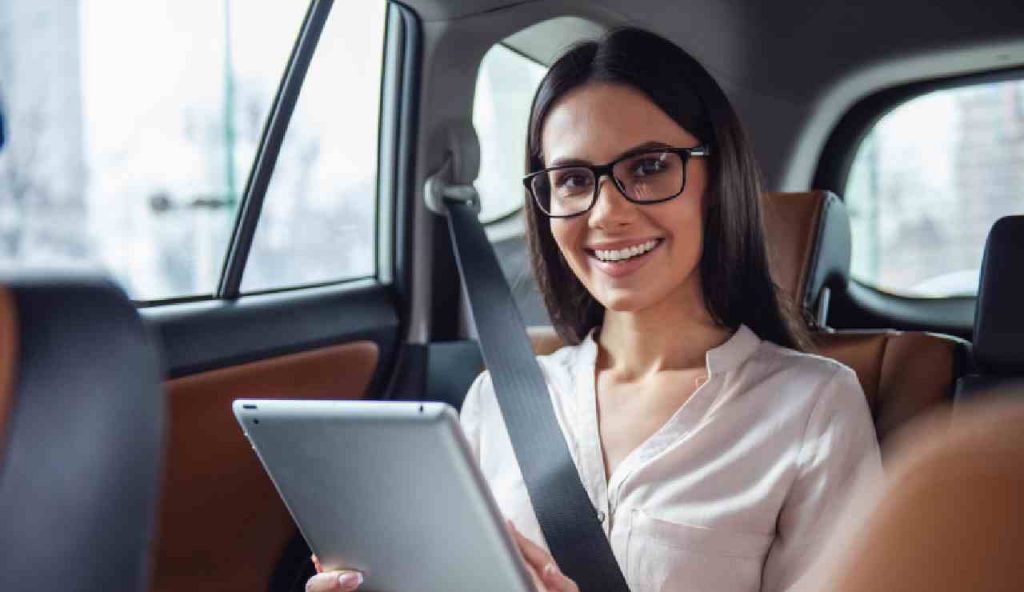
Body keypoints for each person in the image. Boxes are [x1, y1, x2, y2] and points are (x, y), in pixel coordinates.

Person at [308, 27, 880, 592]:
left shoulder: (813, 406)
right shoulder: (498, 398)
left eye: (650, 167)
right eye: (574, 180)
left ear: (716, 178)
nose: (606, 214)